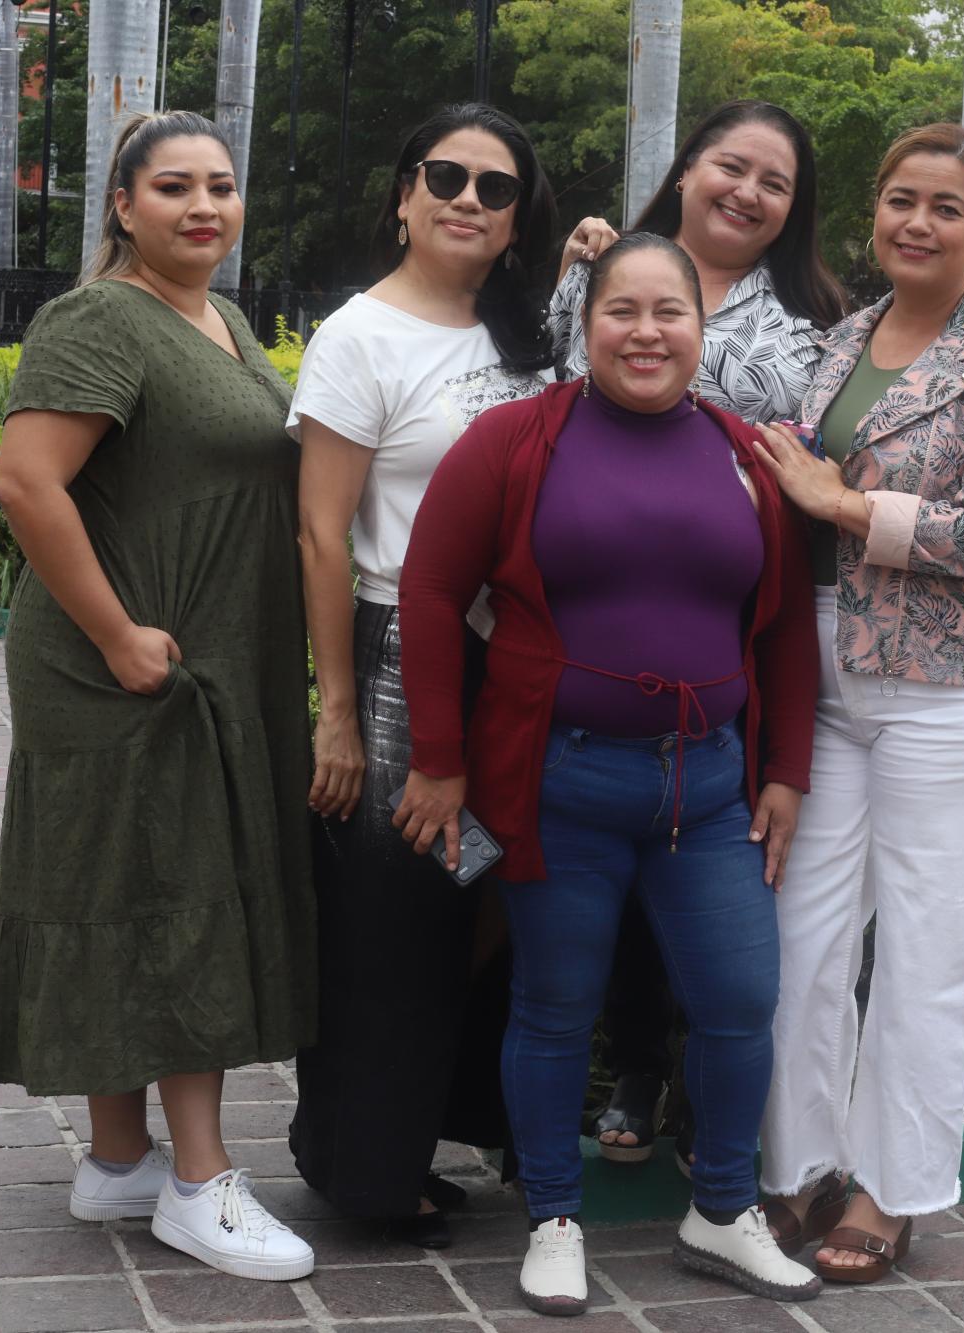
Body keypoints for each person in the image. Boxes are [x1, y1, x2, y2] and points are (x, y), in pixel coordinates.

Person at [397, 233, 821, 1315]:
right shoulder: (513, 440)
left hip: (709, 789)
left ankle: (720, 1210)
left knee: (739, 1000)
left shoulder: (745, 455)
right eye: (620, 311)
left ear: (699, 328)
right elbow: (430, 593)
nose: (645, 332)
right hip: (562, 785)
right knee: (554, 1004)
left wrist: (785, 768)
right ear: (585, 326)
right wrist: (439, 760)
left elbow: (781, 626)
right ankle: (552, 1216)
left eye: (668, 312)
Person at [0, 110, 318, 1283]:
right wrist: (118, 636)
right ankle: (201, 1184)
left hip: (185, 655)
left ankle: (119, 1158)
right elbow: (26, 482)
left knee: (127, 883)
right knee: (176, 888)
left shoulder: (218, 318)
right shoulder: (99, 318)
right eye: (173, 186)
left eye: (220, 184)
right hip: (122, 663)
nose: (203, 206)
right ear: (122, 205)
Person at [750, 123, 964, 1282]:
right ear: (873, 213)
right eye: (898, 200)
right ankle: (799, 1166)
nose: (916, 223)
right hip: (828, 679)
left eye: (944, 207)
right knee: (800, 936)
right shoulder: (840, 340)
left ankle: (891, 1190)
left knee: (927, 953)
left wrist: (838, 505)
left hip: (959, 695)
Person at [549, 99, 848, 1170]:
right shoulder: (598, 273)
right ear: (685, 169)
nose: (747, 192)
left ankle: (697, 1083)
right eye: (731, 166)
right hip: (585, 612)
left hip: (732, 619)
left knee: (714, 852)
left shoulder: (816, 327)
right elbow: (540, 405)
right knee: (601, 856)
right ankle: (630, 1062)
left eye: (775, 182)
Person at [285, 102, 557, 1249]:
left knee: (489, 900)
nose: (466, 200)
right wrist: (338, 714)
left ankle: (436, 1127)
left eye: (495, 188)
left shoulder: (527, 338)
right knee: (389, 913)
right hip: (402, 643)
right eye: (443, 176)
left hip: (520, 651)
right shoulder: (360, 336)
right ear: (402, 196)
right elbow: (321, 533)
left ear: (516, 222)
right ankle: (361, 1163)